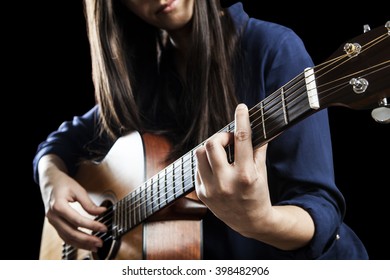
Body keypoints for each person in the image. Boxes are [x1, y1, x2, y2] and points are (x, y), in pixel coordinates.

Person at [32, 0, 368, 259]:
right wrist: (50, 177)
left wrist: (260, 220)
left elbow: (320, 207)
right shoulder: (145, 78)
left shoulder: (272, 49)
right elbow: (60, 143)